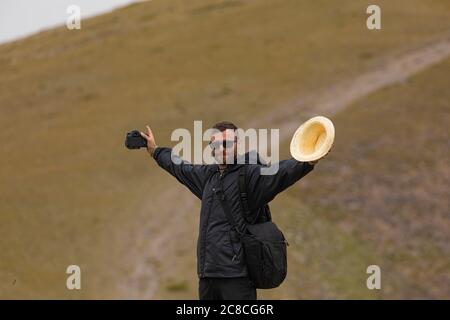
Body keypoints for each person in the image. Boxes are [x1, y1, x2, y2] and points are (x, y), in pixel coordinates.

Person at [140, 121, 325, 300]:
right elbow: (180, 167)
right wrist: (155, 151)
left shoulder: (250, 175)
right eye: (216, 144)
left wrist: (308, 161)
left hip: (236, 277)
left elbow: (280, 173)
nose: (221, 148)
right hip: (207, 275)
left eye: (227, 143)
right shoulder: (208, 176)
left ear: (237, 144)